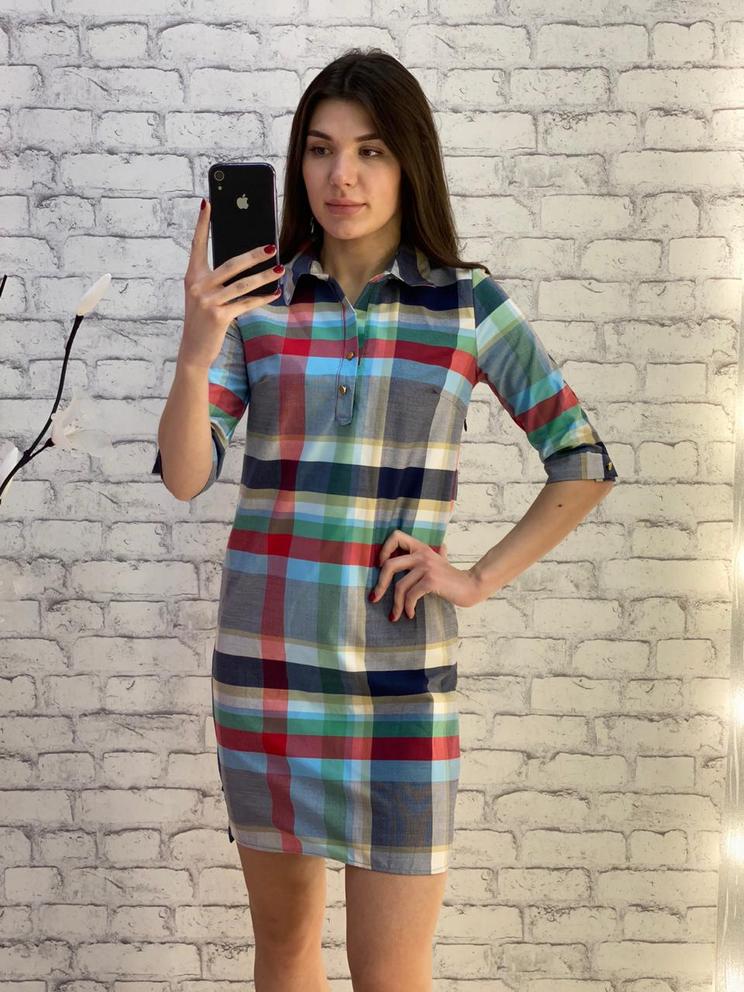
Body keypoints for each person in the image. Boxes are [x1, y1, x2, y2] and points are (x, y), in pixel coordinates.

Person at [152, 47, 618, 992]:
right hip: (269, 674)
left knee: (391, 969)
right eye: (320, 150)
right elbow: (186, 477)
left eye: (369, 151)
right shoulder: (258, 302)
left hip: (402, 684)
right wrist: (196, 352)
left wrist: (475, 578)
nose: (343, 176)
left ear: (409, 163)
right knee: (286, 950)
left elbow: (581, 458)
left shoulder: (467, 305)